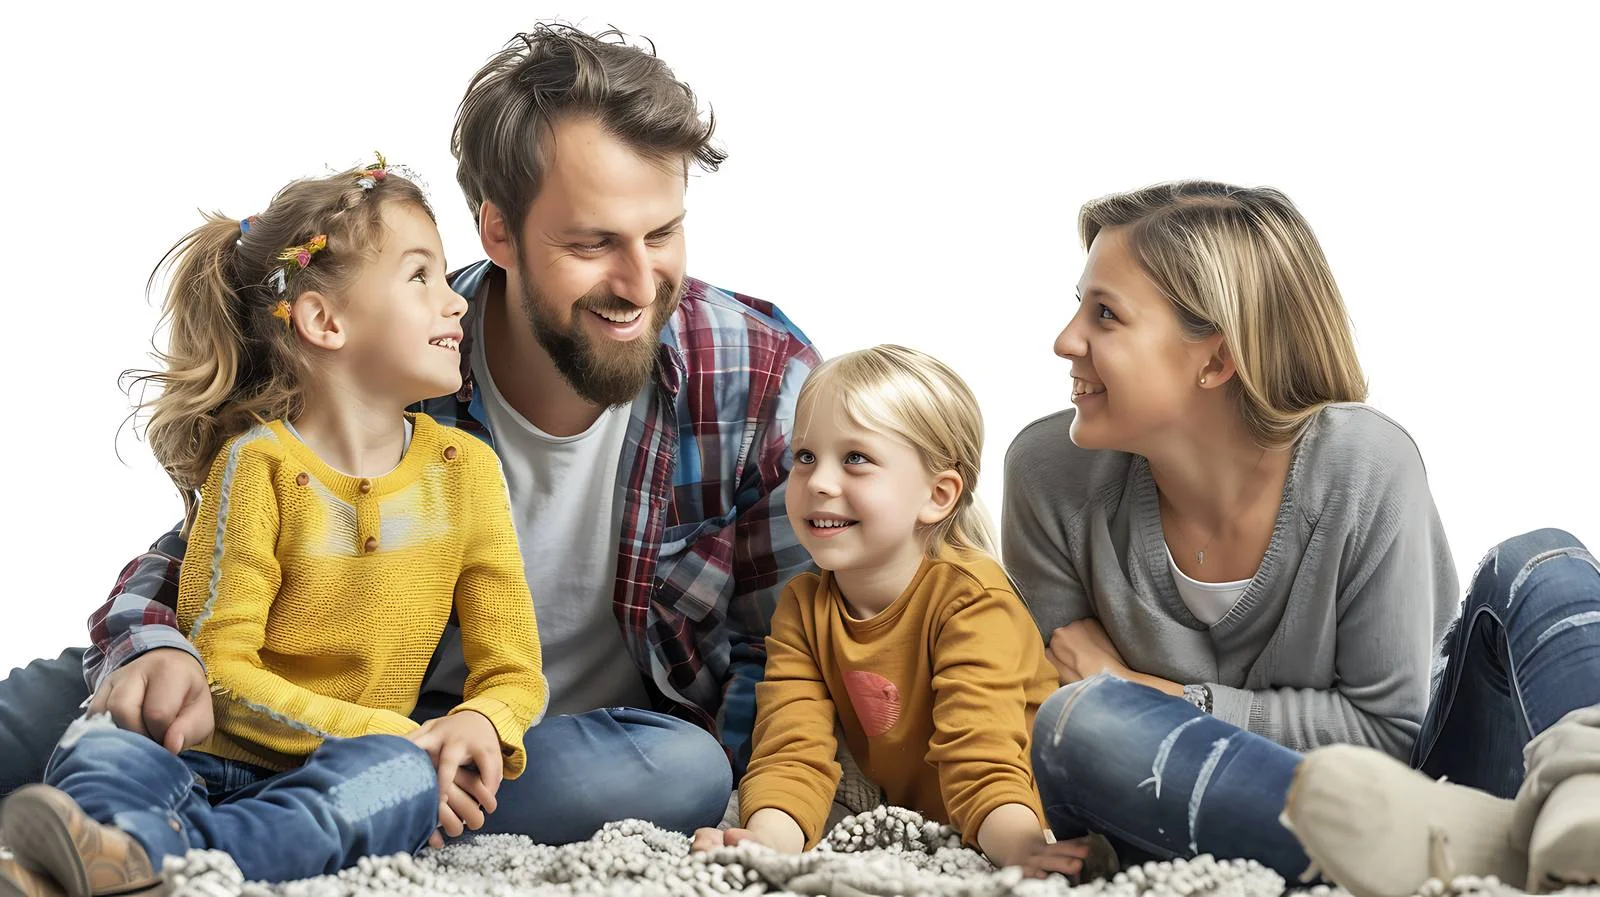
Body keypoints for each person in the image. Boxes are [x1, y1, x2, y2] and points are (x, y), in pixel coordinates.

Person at [0, 24, 820, 845]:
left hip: (511, 751)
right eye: (592, 242)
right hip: (286, 703)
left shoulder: (755, 373)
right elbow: (204, 558)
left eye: (662, 233)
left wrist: (773, 804)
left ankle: (271, 820)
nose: (641, 283)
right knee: (65, 699)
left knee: (685, 768)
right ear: (498, 232)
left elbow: (790, 644)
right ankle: (274, 811)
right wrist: (147, 650)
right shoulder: (396, 350)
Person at [0, 159, 545, 895]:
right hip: (196, 753)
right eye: (421, 277)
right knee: (104, 745)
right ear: (325, 320)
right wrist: (388, 729)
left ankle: (150, 861)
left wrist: (485, 721)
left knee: (403, 781)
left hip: (336, 771)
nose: (456, 304)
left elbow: (511, 668)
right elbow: (220, 671)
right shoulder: (252, 466)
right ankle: (145, 849)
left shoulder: (468, 472)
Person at [1001, 181, 1456, 878]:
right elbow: (1062, 729)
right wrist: (1112, 702)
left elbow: (1391, 735)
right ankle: (1410, 861)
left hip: (1415, 791)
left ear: (1215, 359)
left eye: (1106, 315)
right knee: (1080, 722)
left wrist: (1153, 693)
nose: (1067, 340)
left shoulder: (1364, 467)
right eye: (1078, 307)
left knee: (1542, 566)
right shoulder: (1048, 476)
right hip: (1310, 816)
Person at [691, 346, 1088, 876]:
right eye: (806, 457)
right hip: (903, 800)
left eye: (855, 459)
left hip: (1020, 803)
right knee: (759, 805)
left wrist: (1025, 850)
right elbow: (792, 747)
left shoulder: (973, 602)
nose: (819, 483)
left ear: (938, 495)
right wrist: (764, 843)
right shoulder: (804, 606)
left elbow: (983, 755)